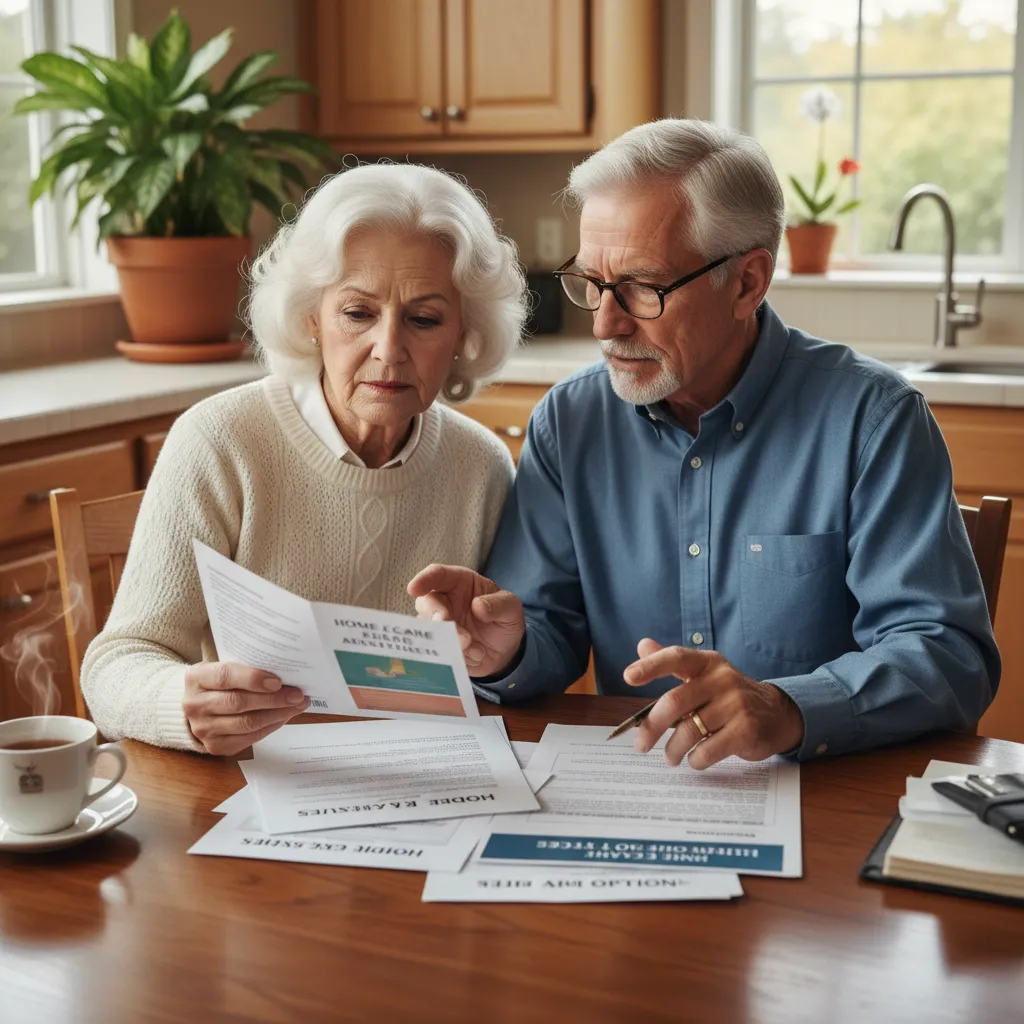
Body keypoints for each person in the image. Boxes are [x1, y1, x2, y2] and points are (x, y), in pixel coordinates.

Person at [409, 119, 1000, 769]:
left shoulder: (873, 420)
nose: (605, 323)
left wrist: (791, 707)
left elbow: (946, 653)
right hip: (639, 790)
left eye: (642, 286)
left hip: (825, 794)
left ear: (747, 282)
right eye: (591, 283)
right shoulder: (569, 422)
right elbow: (547, 630)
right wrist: (507, 650)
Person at [82, 163, 528, 755]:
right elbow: (116, 663)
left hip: (417, 779)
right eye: (357, 312)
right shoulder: (220, 440)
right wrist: (181, 704)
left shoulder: (483, 467)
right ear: (311, 317)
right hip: (244, 780)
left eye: (424, 318)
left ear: (465, 332)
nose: (389, 350)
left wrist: (491, 657)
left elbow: (493, 673)